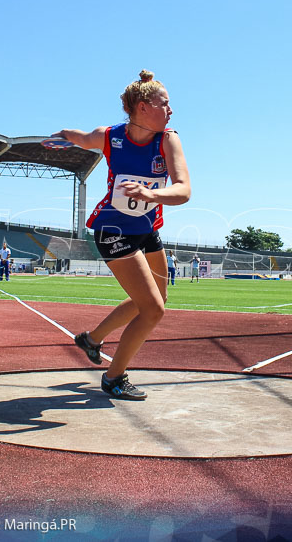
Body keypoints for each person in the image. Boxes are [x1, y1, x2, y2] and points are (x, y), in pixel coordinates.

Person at [52, 69, 190, 400]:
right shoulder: (111, 136)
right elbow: (82, 137)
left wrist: (151, 195)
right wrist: (62, 136)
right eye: (165, 104)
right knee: (153, 309)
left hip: (146, 230)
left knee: (156, 300)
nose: (171, 110)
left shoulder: (167, 139)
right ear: (143, 106)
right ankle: (114, 377)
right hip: (113, 230)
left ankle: (92, 339)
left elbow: (184, 190)